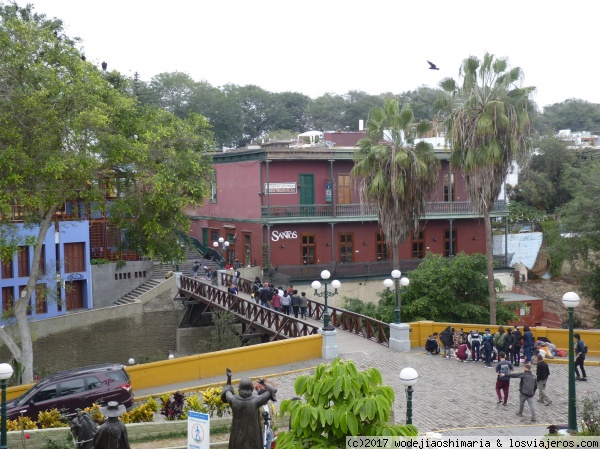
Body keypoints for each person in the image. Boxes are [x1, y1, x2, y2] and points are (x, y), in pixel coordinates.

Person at [221, 371, 277, 449]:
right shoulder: (256, 401)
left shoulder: (233, 400)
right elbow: (273, 390)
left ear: (239, 388)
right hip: (253, 438)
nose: (245, 393)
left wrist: (229, 378)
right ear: (251, 389)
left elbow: (227, 390)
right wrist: (263, 383)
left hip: (237, 437)